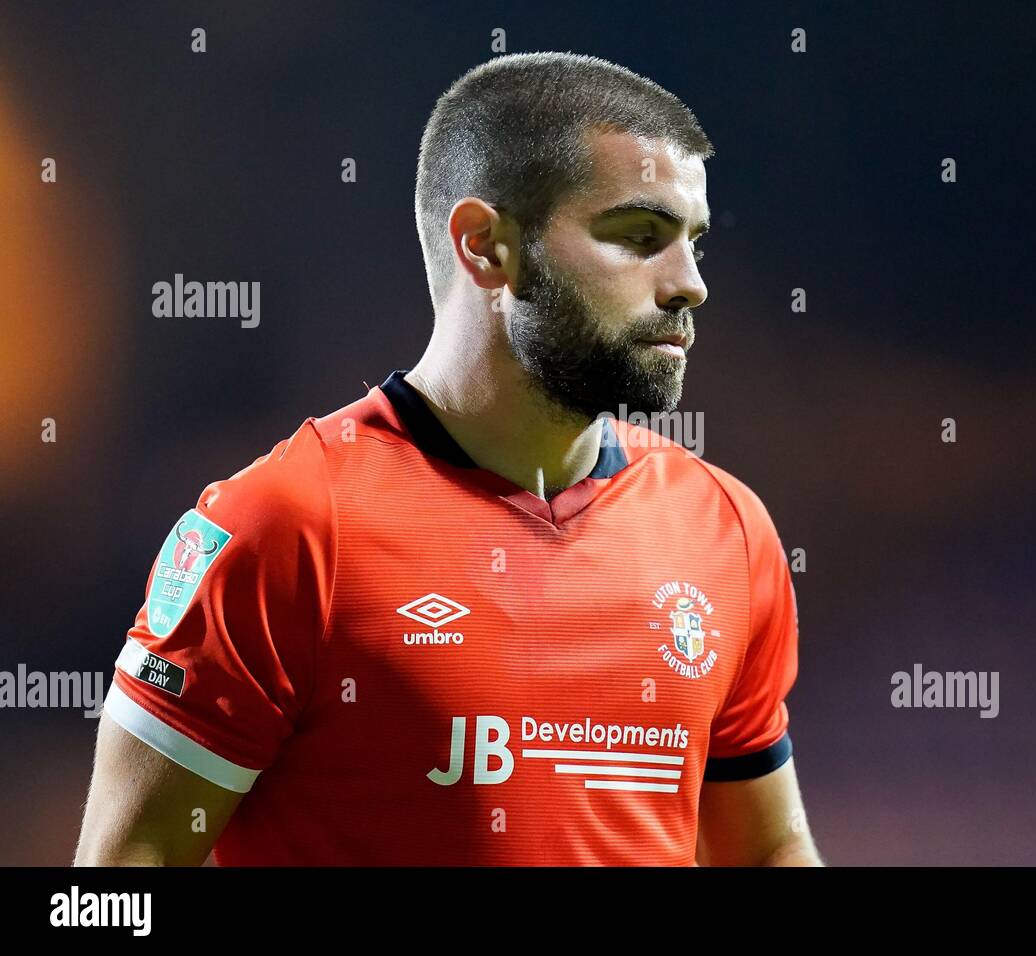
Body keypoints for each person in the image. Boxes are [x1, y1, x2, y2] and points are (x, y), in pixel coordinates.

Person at [75, 51, 821, 866]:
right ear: (487, 247)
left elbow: (769, 850)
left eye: (694, 244)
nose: (689, 284)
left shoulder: (726, 530)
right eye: (639, 237)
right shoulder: (287, 526)